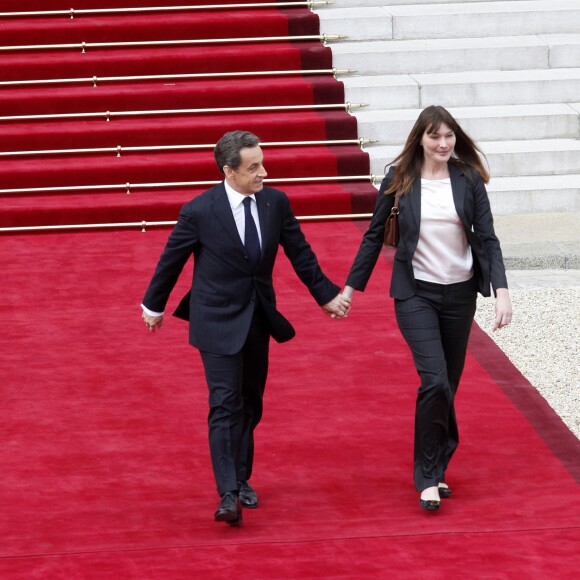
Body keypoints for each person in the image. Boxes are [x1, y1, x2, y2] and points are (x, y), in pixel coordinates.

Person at [141, 130, 350, 525]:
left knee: (250, 403)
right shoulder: (199, 211)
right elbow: (172, 260)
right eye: (253, 167)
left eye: (262, 163)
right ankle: (227, 493)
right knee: (224, 403)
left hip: (257, 319)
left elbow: (300, 253)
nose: (263, 173)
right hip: (216, 320)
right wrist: (154, 305)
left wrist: (326, 296)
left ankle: (241, 476)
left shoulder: (275, 203)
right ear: (229, 171)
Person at [342, 106, 512, 512]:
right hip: (415, 294)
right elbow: (372, 237)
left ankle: (437, 462)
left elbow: (487, 238)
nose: (443, 144)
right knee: (434, 381)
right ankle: (427, 476)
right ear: (420, 138)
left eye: (449, 136)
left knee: (447, 388)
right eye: (435, 136)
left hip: (460, 295)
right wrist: (351, 288)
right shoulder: (399, 179)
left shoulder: (468, 179)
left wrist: (502, 290)